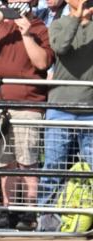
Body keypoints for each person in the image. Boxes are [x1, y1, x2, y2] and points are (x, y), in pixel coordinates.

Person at [0, 0, 54, 229]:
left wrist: (26, 33)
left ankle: (29, 214)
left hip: (27, 105)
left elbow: (42, 62)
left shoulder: (40, 26)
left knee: (27, 162)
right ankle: (9, 211)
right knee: (4, 163)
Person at [36, 0, 93, 219]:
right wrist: (77, 17)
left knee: (91, 166)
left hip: (89, 108)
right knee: (53, 165)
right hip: (60, 107)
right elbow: (60, 46)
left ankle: (87, 217)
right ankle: (45, 217)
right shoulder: (59, 24)